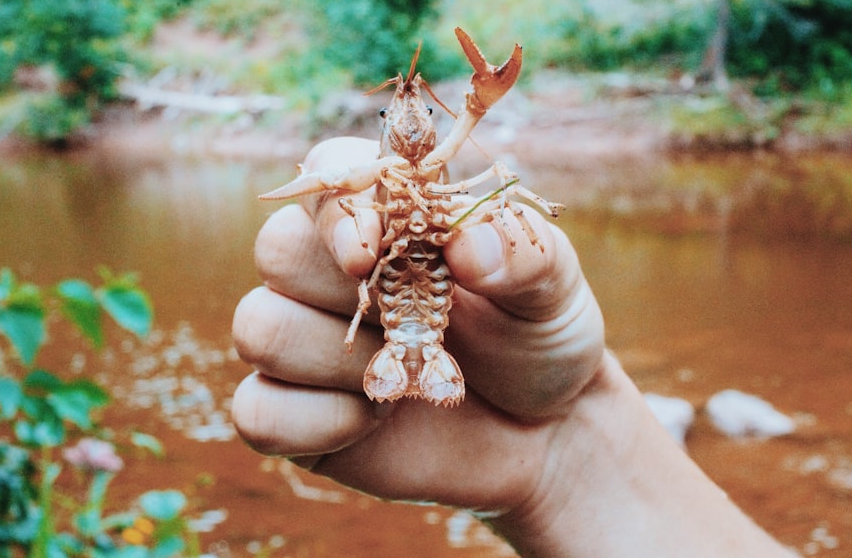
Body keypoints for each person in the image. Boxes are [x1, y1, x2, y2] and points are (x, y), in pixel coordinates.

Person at [231, 137, 793, 557]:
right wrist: (565, 448)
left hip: (427, 320)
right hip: (403, 314)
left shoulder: (454, 171)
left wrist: (563, 448)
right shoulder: (374, 180)